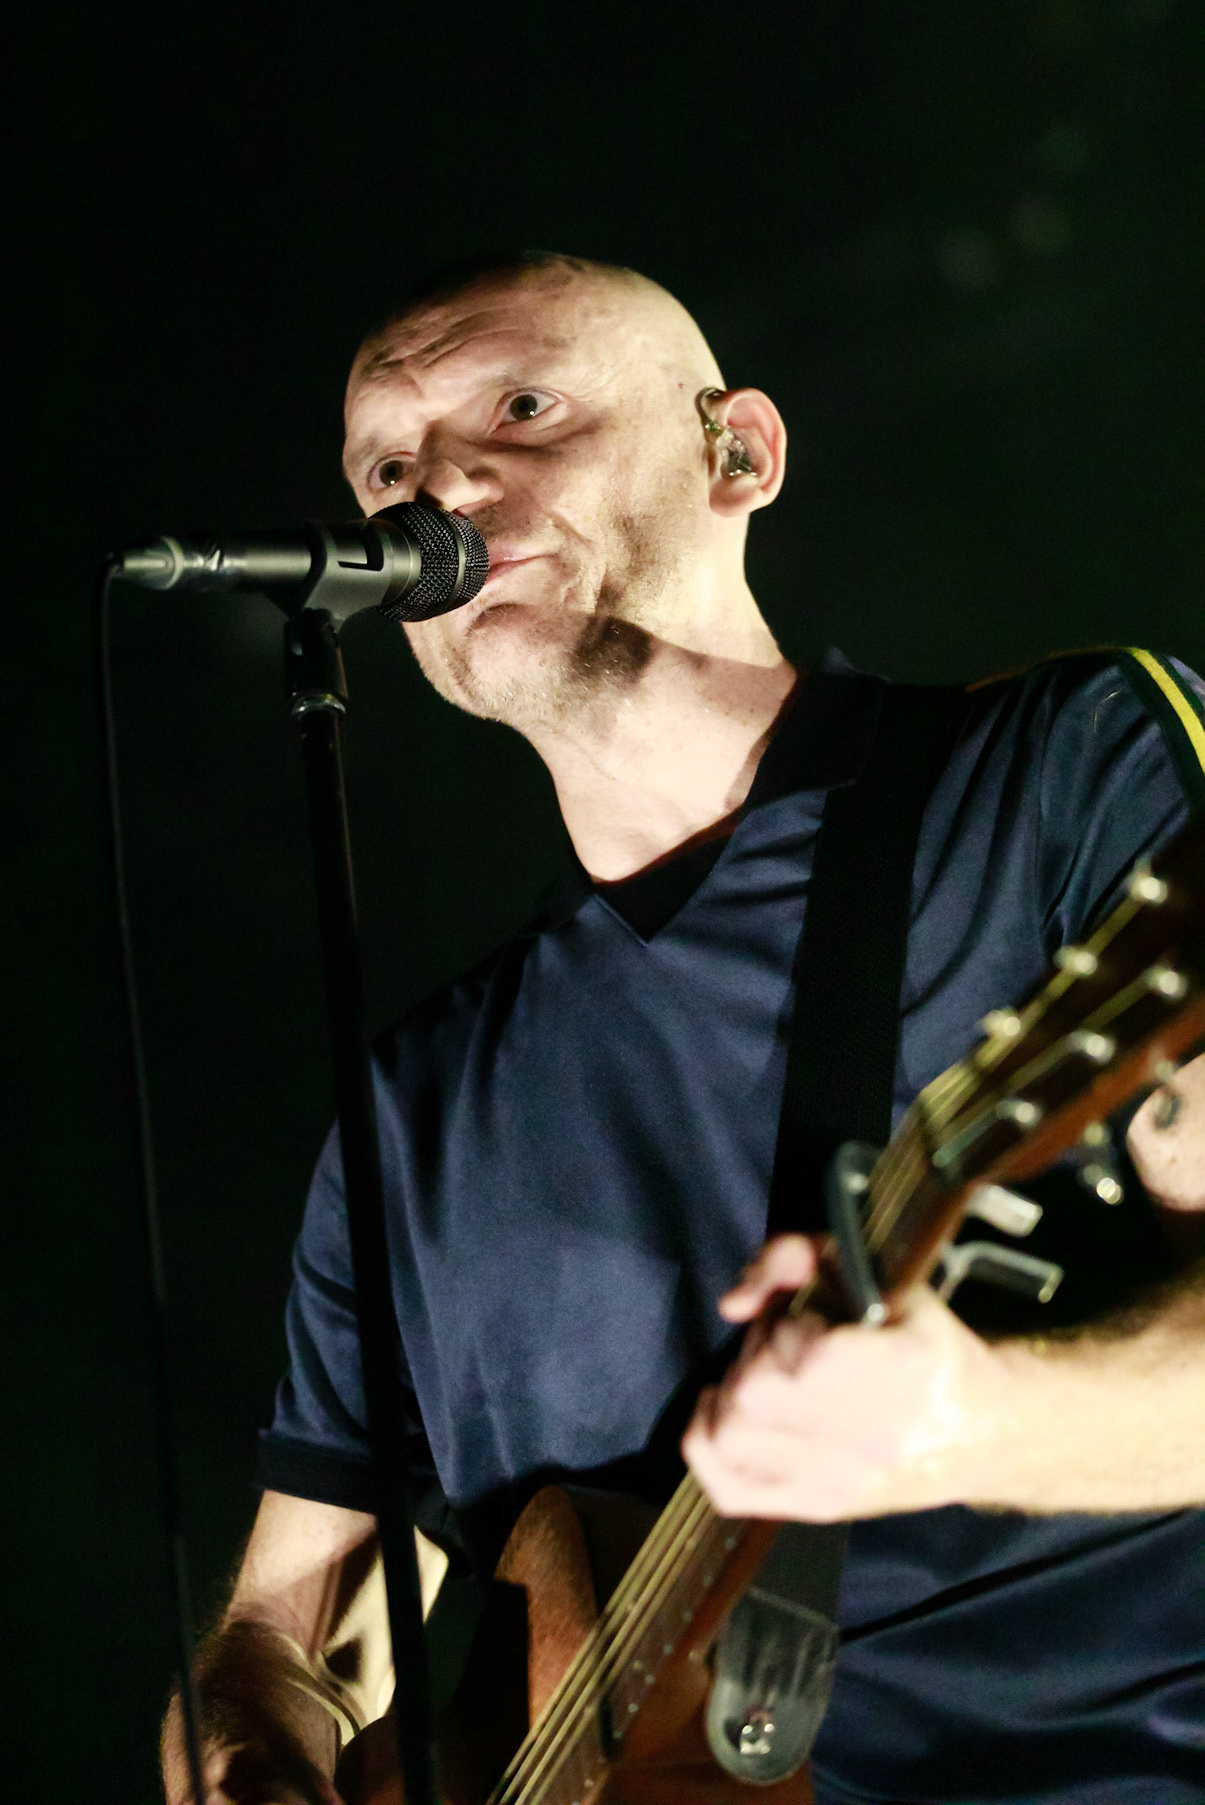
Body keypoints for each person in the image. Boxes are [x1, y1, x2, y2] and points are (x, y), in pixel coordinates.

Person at [162, 252, 1205, 1805]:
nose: (435, 487)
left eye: (520, 409)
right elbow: (286, 1632)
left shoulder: (1053, 772)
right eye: (384, 466)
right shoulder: (415, 1111)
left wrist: (977, 1424)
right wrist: (248, 1733)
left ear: (740, 455)